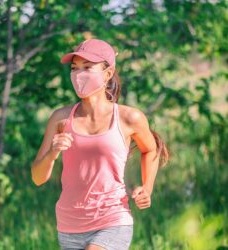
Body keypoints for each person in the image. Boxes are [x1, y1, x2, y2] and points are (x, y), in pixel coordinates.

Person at [31, 38, 169, 250]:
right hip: (69, 224)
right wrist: (52, 153)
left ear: (107, 74)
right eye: (74, 68)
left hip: (112, 219)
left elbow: (150, 149)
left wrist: (147, 187)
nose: (79, 75)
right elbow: (38, 178)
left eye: (87, 68)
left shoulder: (129, 117)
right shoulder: (60, 119)